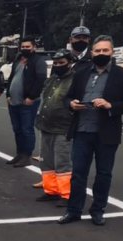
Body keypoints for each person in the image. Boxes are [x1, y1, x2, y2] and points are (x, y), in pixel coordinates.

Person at [60, 35, 123, 226]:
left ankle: (98, 210)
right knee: (78, 173)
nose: (101, 53)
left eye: (105, 50)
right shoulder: (81, 73)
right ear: (92, 52)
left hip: (106, 133)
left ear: (112, 52)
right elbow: (67, 97)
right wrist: (72, 104)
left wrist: (110, 105)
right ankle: (73, 210)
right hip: (82, 130)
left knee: (103, 173)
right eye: (97, 50)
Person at [35, 49, 77, 206]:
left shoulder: (74, 80)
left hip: (63, 128)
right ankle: (51, 190)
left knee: (62, 162)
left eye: (62, 63)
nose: (58, 65)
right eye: (56, 63)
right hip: (45, 125)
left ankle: (66, 194)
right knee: (46, 161)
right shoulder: (52, 79)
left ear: (70, 63)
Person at [5, 37, 48, 168]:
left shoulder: (38, 61)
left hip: (28, 102)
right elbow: (12, 77)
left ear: (34, 47)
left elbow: (41, 79)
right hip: (14, 102)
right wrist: (7, 94)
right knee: (17, 129)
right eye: (23, 47)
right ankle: (19, 153)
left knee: (26, 129)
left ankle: (26, 156)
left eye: (27, 47)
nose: (25, 49)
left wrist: (31, 97)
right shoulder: (18, 60)